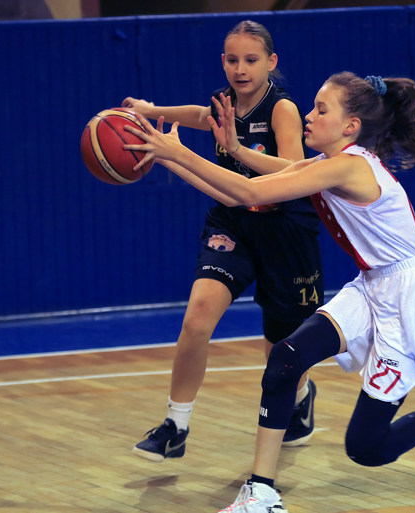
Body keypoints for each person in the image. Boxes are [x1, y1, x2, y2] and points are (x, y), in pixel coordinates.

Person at [125, 71, 415, 513]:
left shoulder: (348, 165)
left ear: (350, 126)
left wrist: (180, 151)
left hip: (407, 293)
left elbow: (246, 191)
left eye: (321, 109)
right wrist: (196, 156)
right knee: (286, 358)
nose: (308, 114)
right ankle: (261, 492)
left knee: (367, 447)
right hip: (372, 284)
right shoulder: (331, 162)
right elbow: (259, 181)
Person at [122, 20, 325, 462]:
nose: (240, 68)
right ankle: (175, 425)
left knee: (281, 348)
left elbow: (294, 171)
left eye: (251, 60)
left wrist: (237, 150)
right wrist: (151, 110)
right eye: (232, 60)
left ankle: (301, 396)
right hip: (233, 223)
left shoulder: (282, 109)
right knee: (197, 318)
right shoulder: (223, 103)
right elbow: (200, 116)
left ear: (271, 62)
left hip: (285, 229)